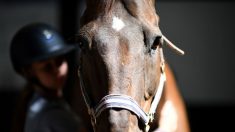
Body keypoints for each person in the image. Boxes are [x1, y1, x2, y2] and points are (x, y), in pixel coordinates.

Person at [10, 23, 85, 132]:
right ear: (29, 72)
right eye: (46, 67)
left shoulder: (36, 103)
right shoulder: (53, 115)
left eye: (59, 61)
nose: (57, 70)